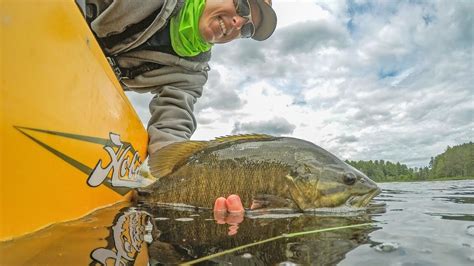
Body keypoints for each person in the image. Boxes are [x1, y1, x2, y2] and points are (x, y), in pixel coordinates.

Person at [85, 0, 277, 214]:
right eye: (242, 6)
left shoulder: (192, 75)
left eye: (247, 28)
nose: (238, 23)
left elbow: (171, 129)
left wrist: (187, 188)